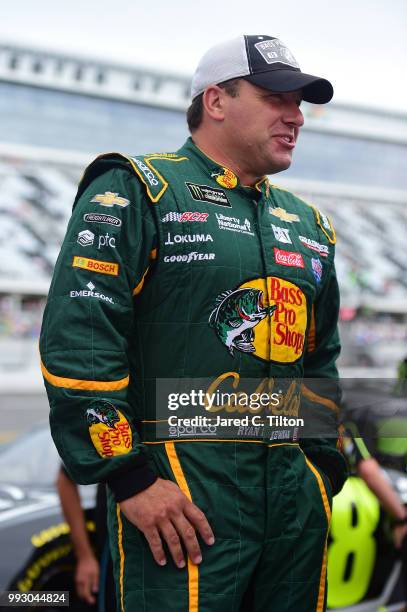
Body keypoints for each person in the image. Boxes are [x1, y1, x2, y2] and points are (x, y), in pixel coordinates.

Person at [40, 34, 348, 611]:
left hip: (293, 507)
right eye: (277, 97)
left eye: (301, 103)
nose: (295, 116)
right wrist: (128, 478)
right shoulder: (138, 189)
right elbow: (81, 341)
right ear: (216, 101)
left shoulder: (310, 226)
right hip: (181, 504)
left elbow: (320, 358)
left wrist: (320, 470)